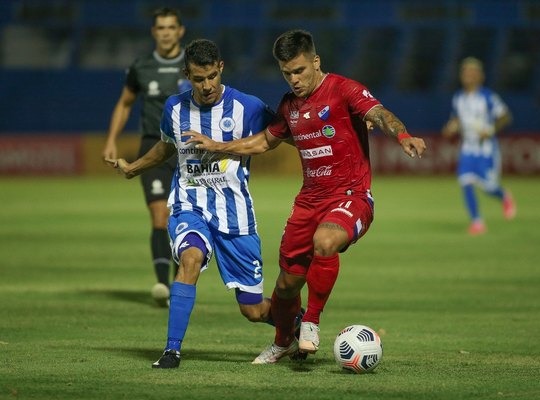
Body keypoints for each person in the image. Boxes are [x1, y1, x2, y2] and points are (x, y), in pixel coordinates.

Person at [187, 29, 426, 364]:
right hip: (308, 202)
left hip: (350, 195)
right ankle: (283, 341)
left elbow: (379, 114)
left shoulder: (344, 90)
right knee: (285, 286)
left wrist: (402, 135)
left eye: (299, 71)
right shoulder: (289, 106)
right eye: (287, 73)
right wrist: (218, 147)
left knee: (325, 241)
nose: (294, 79)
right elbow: (264, 142)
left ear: (316, 61)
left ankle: (311, 321)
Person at [105, 38, 285, 368]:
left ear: (221, 69)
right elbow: (166, 147)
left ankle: (298, 325)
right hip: (190, 204)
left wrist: (224, 146)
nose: (205, 86)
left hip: (235, 216)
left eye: (211, 77)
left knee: (253, 309)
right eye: (198, 79)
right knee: (190, 258)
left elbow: (281, 132)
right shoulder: (174, 108)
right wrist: (133, 168)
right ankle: (172, 350)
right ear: (188, 74)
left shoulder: (249, 107)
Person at [102, 7, 190, 306]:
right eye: (160, 28)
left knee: (184, 218)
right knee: (159, 215)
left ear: (180, 31)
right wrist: (112, 139)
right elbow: (125, 103)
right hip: (153, 147)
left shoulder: (193, 65)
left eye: (170, 27)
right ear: (154, 32)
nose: (165, 32)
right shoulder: (141, 66)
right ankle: (162, 286)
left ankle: (182, 287)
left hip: (187, 151)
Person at [442, 57, 516, 235]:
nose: (468, 75)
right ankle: (477, 222)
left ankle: (503, 195)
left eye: (472, 72)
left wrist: (490, 129)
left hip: (486, 149)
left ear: (480, 76)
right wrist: (451, 127)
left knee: (488, 187)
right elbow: (456, 120)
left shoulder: (488, 97)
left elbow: (506, 116)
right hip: (468, 148)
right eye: (465, 71)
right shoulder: (458, 98)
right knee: (465, 181)